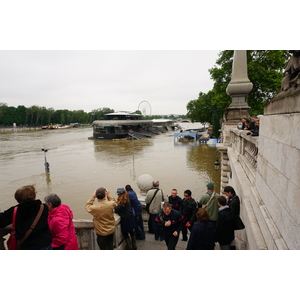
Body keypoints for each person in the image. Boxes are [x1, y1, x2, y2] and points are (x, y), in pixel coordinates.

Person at [0, 185, 52, 250]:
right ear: (33, 196)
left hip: (27, 245)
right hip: (44, 243)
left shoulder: (14, 210)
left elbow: (1, 221)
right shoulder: (43, 207)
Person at [224, 186, 240, 250]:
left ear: (230, 192)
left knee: (231, 235)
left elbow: (231, 211)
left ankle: (232, 248)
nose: (226, 195)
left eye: (226, 193)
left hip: (232, 221)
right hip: (232, 220)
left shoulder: (234, 201)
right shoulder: (233, 198)